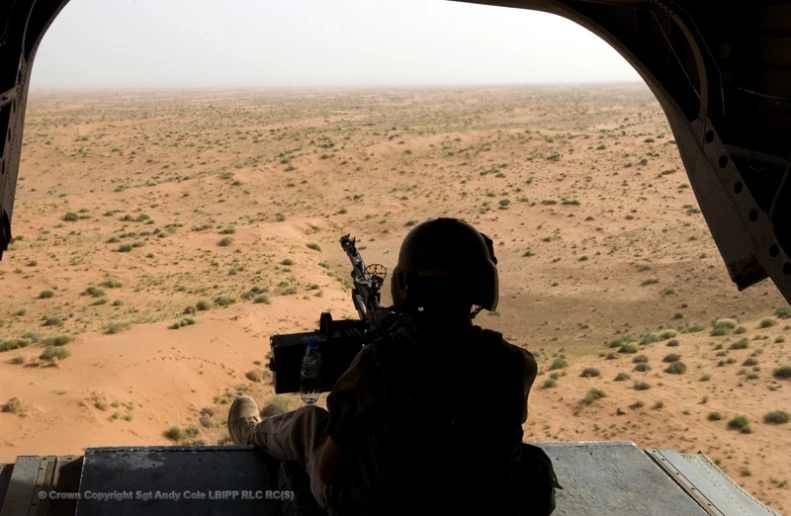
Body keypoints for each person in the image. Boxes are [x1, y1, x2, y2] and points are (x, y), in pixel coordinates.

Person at [228, 218, 559, 515]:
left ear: (405, 285)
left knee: (308, 421)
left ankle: (253, 434)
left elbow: (330, 471)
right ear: (485, 285)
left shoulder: (379, 362)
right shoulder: (517, 364)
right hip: (480, 504)